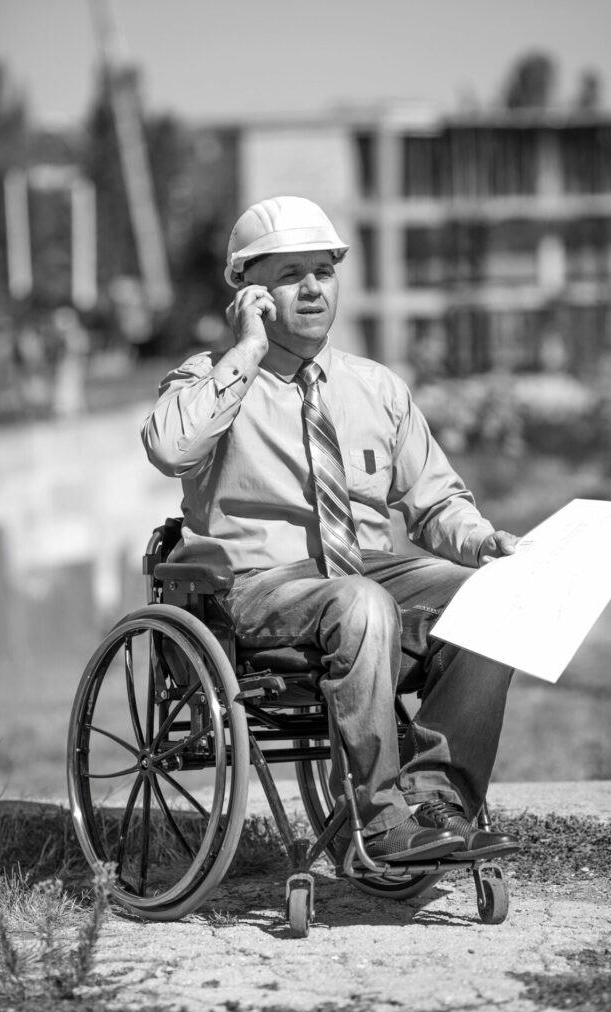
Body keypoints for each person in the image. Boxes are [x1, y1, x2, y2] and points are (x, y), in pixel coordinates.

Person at [142, 196, 519, 864]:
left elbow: (434, 504)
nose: (313, 287)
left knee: (489, 597)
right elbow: (170, 449)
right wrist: (247, 351)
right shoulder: (210, 379)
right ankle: (378, 820)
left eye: (323, 270)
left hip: (370, 571)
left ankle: (438, 804)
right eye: (291, 274)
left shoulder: (375, 388)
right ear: (250, 291)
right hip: (260, 589)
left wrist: (485, 541)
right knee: (360, 603)